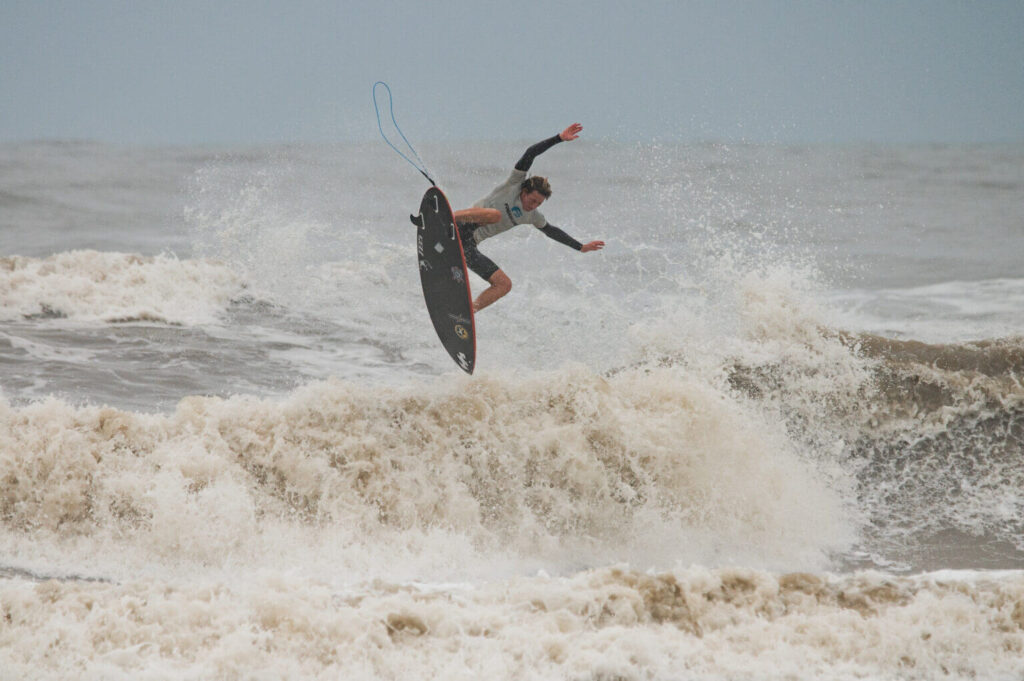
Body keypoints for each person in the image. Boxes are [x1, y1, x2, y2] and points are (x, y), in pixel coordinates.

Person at [451, 123, 604, 312]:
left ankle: (467, 312)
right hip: (460, 226)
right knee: (495, 215)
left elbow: (551, 231)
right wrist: (558, 138)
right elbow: (530, 153)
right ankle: (448, 218)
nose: (533, 206)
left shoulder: (531, 216)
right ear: (524, 191)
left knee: (504, 285)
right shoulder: (514, 184)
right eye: (532, 200)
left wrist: (581, 247)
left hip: (467, 245)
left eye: (538, 204)